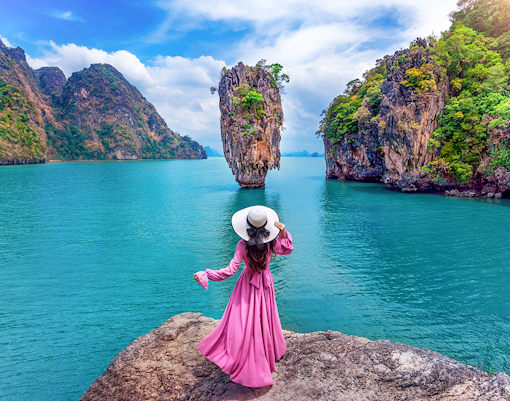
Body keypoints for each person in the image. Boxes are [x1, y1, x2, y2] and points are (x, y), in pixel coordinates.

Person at [193, 205, 293, 388]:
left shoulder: (242, 244)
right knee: (265, 317)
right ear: (266, 226)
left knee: (244, 320)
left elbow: (230, 270)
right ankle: (267, 351)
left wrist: (207, 274)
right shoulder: (271, 242)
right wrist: (284, 231)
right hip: (265, 283)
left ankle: (245, 353)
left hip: (247, 284)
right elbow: (287, 249)